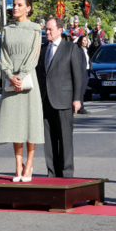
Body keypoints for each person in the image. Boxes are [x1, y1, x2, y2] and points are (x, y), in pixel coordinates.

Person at [0, 0, 44, 182]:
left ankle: (29, 165)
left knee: (29, 124)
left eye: (19, 5)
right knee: (14, 124)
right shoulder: (6, 30)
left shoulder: (35, 29)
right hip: (11, 81)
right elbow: (3, 56)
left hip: (28, 81)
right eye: (14, 5)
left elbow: (34, 56)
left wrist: (21, 76)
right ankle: (17, 166)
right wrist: (9, 74)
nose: (15, 8)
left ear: (28, 8)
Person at [35, 17, 82, 178]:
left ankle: (67, 172)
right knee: (49, 139)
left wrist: (77, 98)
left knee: (65, 139)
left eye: (50, 29)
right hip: (45, 99)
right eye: (46, 30)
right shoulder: (42, 49)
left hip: (64, 100)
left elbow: (78, 75)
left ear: (60, 30)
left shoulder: (70, 48)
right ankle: (52, 172)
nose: (47, 32)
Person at [75, 35, 90, 115]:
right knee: (81, 91)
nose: (85, 42)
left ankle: (81, 106)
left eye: (86, 40)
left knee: (83, 90)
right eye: (84, 40)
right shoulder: (79, 50)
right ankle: (81, 108)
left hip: (86, 71)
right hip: (81, 72)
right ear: (80, 41)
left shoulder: (86, 49)